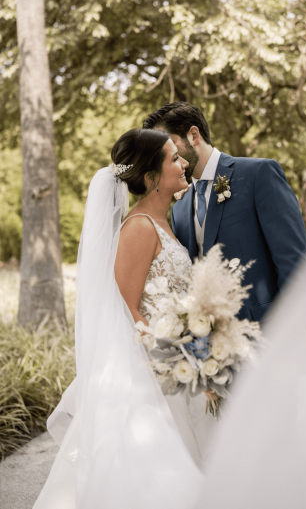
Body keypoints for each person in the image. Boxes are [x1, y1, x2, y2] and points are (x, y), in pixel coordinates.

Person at [33, 128, 207, 509]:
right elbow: (128, 307)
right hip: (152, 372)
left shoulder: (166, 223)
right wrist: (171, 357)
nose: (182, 163)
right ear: (151, 179)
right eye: (173, 159)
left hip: (178, 364)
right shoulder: (139, 228)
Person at [143, 102, 306, 370]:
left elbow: (296, 265)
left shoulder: (258, 175)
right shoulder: (178, 210)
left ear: (193, 135)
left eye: (169, 145)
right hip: (212, 358)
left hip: (270, 346)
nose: (164, 155)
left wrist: (291, 339)